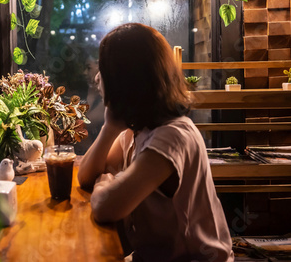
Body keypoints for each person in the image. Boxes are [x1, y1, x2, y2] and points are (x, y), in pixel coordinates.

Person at [78, 23, 234, 262]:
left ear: (126, 80)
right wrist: (110, 127)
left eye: (104, 70)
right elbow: (86, 176)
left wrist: (107, 181)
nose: (98, 78)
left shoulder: (171, 136)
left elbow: (105, 208)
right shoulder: (139, 129)